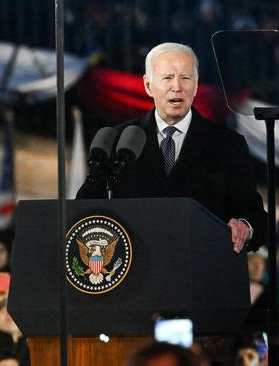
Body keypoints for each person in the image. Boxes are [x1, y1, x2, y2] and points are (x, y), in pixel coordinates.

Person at [76, 42, 267, 252]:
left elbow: (255, 216)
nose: (177, 87)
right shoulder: (119, 139)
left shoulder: (228, 145)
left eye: (185, 78)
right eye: (167, 77)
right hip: (132, 270)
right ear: (148, 85)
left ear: (195, 85)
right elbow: (85, 209)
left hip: (199, 270)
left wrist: (245, 227)